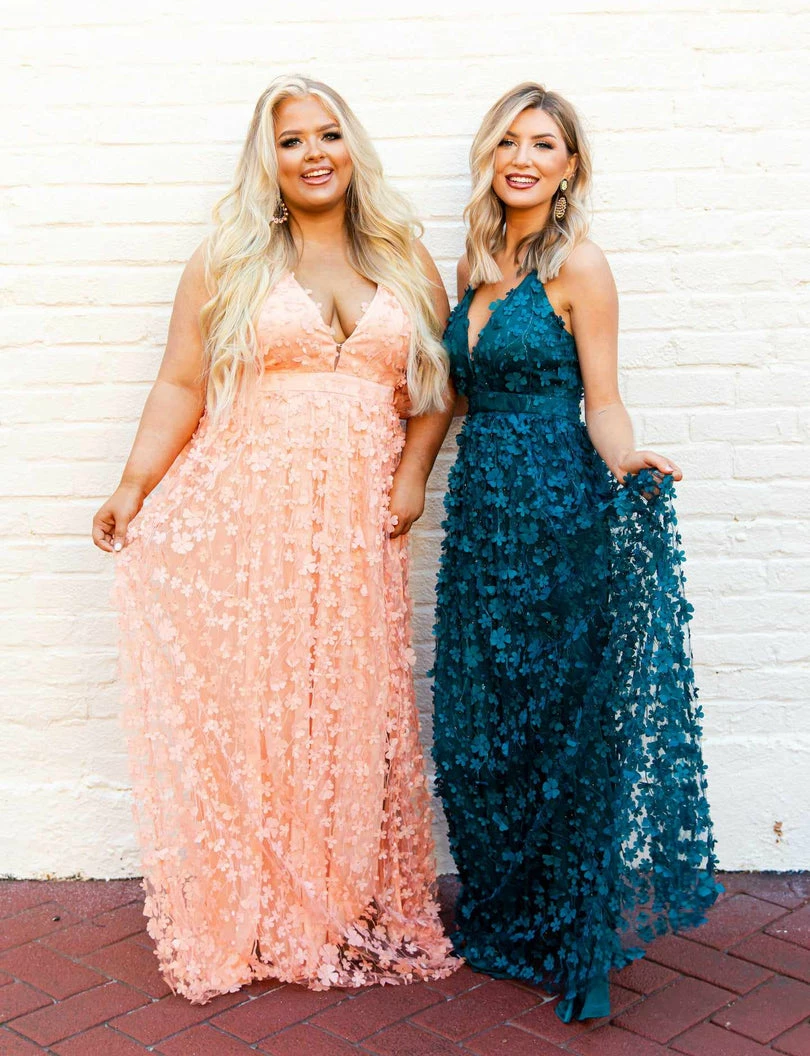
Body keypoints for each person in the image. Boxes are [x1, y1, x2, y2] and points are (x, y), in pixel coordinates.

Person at [92, 75, 458, 1003]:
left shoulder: (403, 255)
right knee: (268, 702)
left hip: (360, 517)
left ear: (351, 145)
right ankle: (265, 904)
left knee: (348, 702)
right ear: (270, 160)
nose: (313, 153)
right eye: (291, 140)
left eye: (327, 134)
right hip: (254, 515)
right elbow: (182, 383)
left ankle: (337, 898)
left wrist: (414, 474)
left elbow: (437, 385)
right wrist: (134, 485)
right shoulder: (229, 259)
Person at [431, 82, 720, 1022]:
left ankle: (577, 937)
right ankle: (507, 913)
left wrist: (625, 456)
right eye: (509, 142)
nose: (523, 158)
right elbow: (455, 396)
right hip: (481, 520)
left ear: (570, 168)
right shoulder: (474, 265)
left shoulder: (579, 265)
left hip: (558, 510)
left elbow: (605, 398)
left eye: (543, 145)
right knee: (482, 727)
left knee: (563, 722)